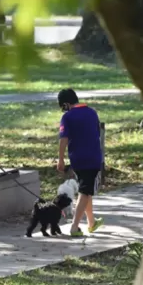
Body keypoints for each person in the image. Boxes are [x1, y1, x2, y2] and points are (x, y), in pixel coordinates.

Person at [56, 89, 104, 237]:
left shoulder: (67, 117)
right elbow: (97, 133)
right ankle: (74, 227)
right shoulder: (92, 112)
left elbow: (63, 139)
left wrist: (61, 159)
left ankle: (91, 222)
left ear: (66, 104)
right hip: (93, 157)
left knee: (85, 189)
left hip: (77, 158)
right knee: (85, 191)